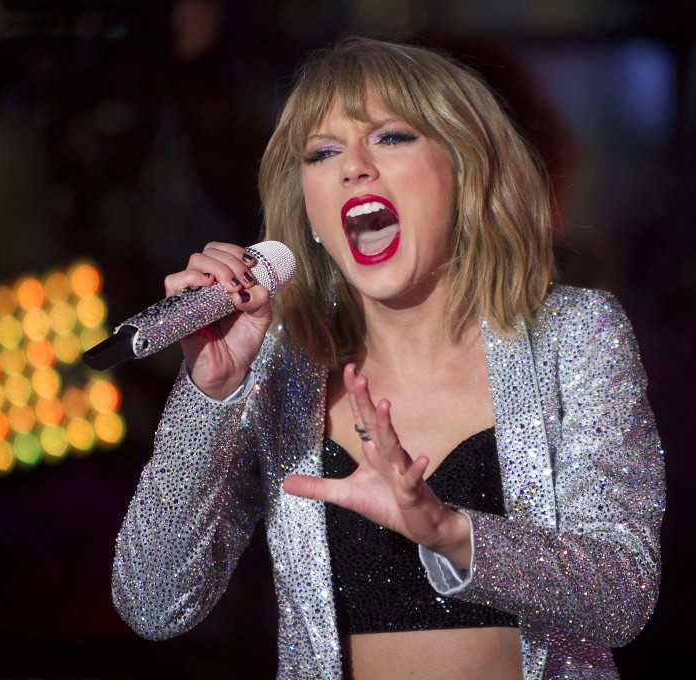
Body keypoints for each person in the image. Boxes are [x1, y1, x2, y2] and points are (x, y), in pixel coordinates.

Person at [110, 34, 666, 680]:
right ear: (310, 210)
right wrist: (210, 396)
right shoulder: (279, 367)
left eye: (392, 137)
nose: (354, 167)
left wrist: (447, 531)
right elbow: (153, 603)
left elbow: (623, 594)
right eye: (323, 152)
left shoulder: (572, 333)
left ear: (465, 170)